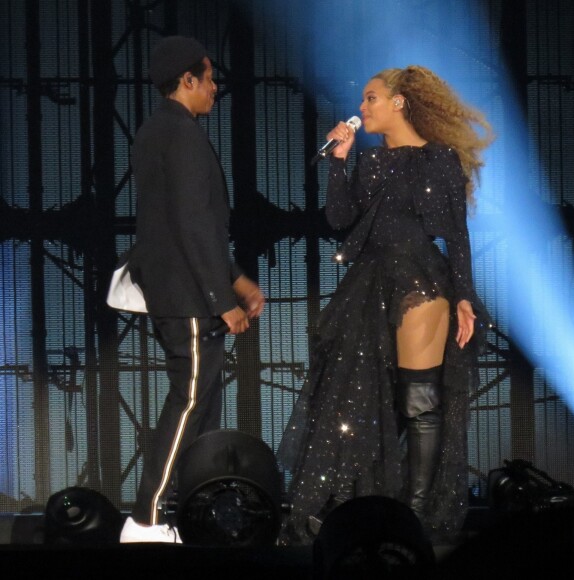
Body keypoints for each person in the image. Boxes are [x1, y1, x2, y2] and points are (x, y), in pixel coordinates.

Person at [277, 65, 494, 545]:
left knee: (419, 401)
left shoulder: (439, 159)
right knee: (358, 400)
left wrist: (464, 297)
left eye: (370, 98)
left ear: (399, 102)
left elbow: (456, 235)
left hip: (420, 281)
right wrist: (339, 161)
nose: (361, 107)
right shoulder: (371, 161)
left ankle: (412, 518)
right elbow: (339, 219)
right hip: (370, 283)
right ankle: (355, 507)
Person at [118, 35, 265, 543]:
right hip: (187, 297)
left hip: (184, 290)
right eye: (209, 77)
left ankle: (184, 516)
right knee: (189, 404)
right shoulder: (178, 135)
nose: (215, 87)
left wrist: (236, 280)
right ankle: (148, 518)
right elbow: (191, 224)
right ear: (187, 80)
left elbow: (188, 223)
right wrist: (222, 301)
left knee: (201, 409)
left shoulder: (159, 130)